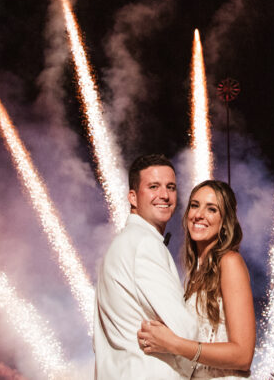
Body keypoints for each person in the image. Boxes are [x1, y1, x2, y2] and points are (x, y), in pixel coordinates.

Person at [94, 154, 198, 378]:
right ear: (133, 197)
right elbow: (186, 332)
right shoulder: (145, 245)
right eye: (153, 186)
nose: (164, 195)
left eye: (170, 187)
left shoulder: (121, 244)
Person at [138, 180, 255, 378]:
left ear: (225, 221)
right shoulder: (194, 274)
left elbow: (243, 355)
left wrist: (173, 344)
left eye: (212, 209)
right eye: (194, 205)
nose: (199, 214)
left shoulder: (229, 263)